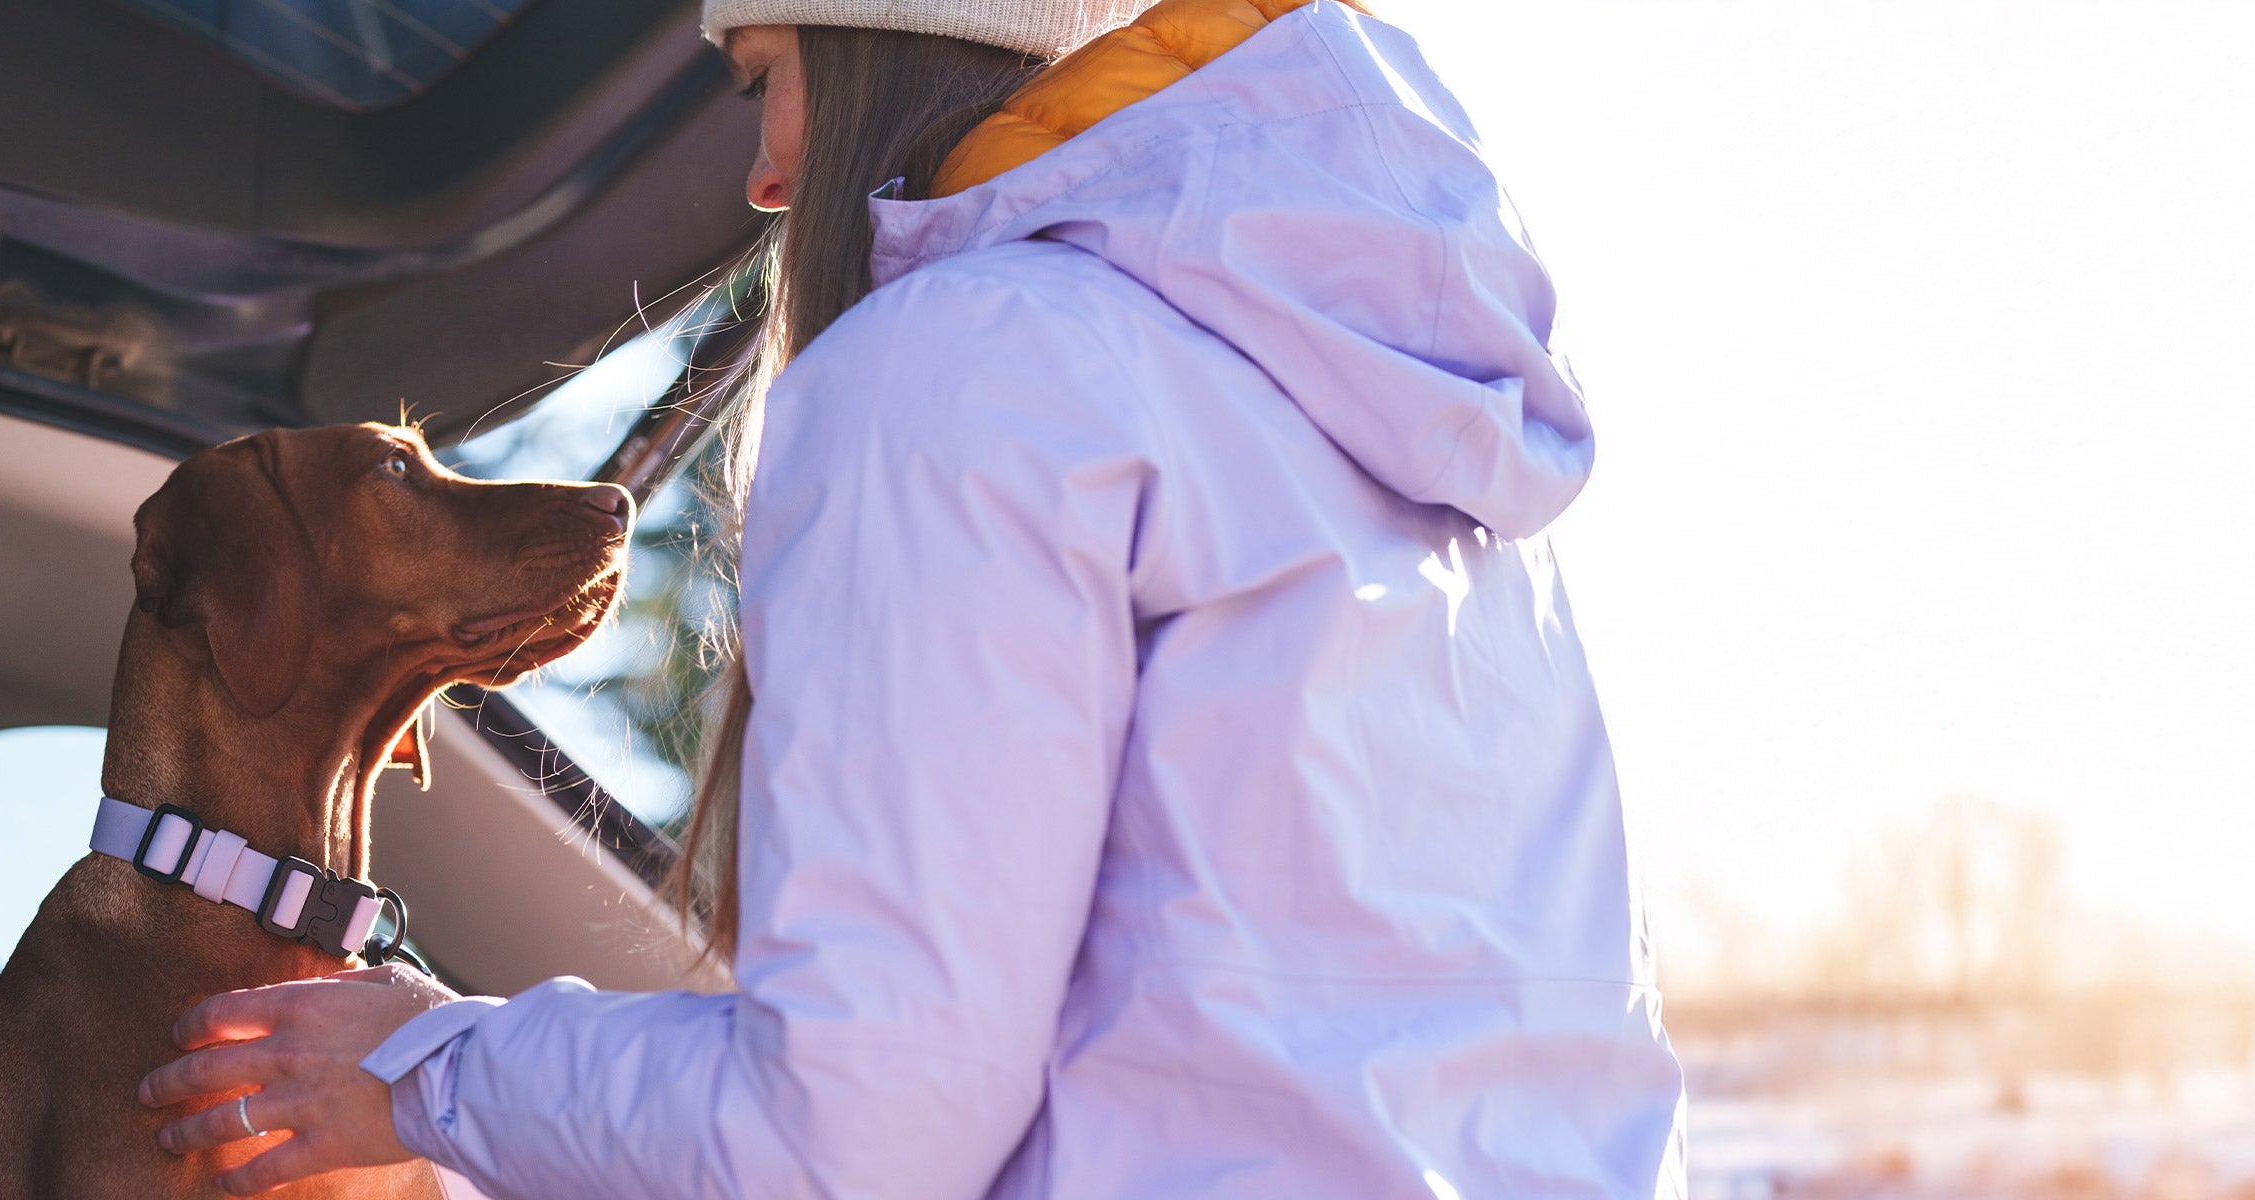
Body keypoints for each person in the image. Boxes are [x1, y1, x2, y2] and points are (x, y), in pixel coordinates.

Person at [135, 0, 1687, 1195]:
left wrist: (424, 1069)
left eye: (765, 77)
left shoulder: (967, 371)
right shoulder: (1430, 428)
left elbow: (855, 1144)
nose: (760, 173)